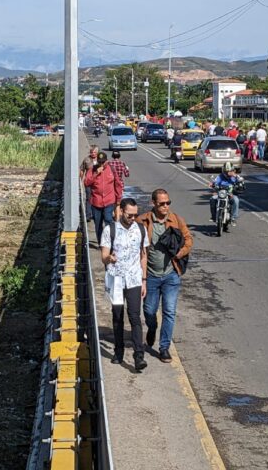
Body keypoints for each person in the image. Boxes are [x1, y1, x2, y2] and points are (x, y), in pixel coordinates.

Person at [138, 189, 192, 363]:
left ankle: (164, 348)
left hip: (171, 275)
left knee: (169, 312)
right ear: (153, 203)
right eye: (162, 203)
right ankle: (152, 328)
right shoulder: (143, 221)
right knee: (149, 311)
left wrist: (179, 253)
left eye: (168, 203)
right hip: (151, 276)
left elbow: (188, 239)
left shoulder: (176, 220)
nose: (166, 206)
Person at [101, 197, 149, 371]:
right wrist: (109, 258)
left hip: (135, 279)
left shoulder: (141, 230)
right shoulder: (110, 230)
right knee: (118, 317)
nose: (133, 218)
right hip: (117, 279)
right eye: (130, 215)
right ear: (121, 211)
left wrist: (144, 280)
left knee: (135, 317)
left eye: (135, 215)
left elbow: (143, 256)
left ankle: (138, 356)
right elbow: (104, 255)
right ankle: (118, 351)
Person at [84, 151, 123, 245]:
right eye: (99, 162)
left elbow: (118, 184)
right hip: (96, 202)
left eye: (103, 162)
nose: (101, 164)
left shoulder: (111, 169)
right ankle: (101, 243)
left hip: (109, 201)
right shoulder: (92, 170)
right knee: (98, 224)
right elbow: (86, 183)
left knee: (109, 220)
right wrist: (96, 174)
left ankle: (111, 242)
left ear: (106, 161)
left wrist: (118, 199)